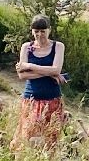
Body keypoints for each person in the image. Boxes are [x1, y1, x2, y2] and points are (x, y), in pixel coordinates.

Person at [12, 14, 65, 152]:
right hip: (31, 99)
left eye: (43, 31)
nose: (40, 35)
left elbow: (57, 68)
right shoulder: (26, 47)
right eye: (36, 32)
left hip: (52, 99)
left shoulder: (58, 46)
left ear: (49, 30)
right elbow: (21, 75)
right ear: (32, 31)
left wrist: (30, 65)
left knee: (51, 139)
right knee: (27, 137)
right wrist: (51, 73)